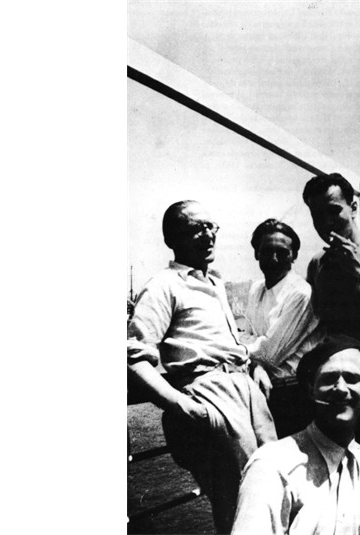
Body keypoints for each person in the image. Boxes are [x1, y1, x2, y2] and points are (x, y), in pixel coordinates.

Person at [127, 200, 276, 534]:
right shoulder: (164, 285)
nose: (208, 235)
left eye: (212, 227)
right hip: (211, 395)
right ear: (172, 238)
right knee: (240, 500)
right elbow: (135, 357)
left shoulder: (215, 284)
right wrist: (182, 405)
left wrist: (255, 365)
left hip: (246, 390)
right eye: (197, 228)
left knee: (274, 484)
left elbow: (223, 342)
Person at [232, 335, 360, 535]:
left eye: (352, 379)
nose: (341, 389)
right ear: (311, 390)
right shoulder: (273, 466)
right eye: (329, 379)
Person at [302, 172, 360, 450]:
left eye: (333, 210)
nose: (326, 221)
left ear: (353, 207)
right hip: (341, 383)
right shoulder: (317, 263)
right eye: (317, 215)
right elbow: (316, 322)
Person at [242, 218, 323, 438]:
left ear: (294, 255)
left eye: (282, 252)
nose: (274, 258)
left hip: (295, 396)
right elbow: (247, 335)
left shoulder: (300, 293)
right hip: (263, 388)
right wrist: (256, 365)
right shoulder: (256, 289)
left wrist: (255, 359)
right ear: (257, 253)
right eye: (267, 251)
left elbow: (269, 353)